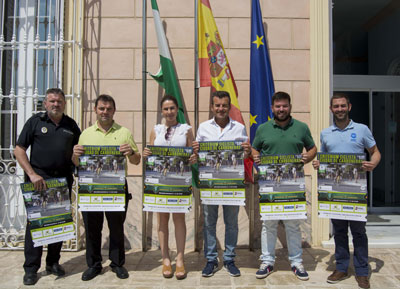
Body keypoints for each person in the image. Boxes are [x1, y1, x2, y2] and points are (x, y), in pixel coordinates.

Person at [312, 93, 381, 289]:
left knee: (358, 232)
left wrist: (373, 164)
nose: (340, 109)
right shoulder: (326, 133)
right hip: (335, 190)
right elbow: (324, 157)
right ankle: (341, 267)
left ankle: (361, 271)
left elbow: (375, 152)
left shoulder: (361, 129)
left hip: (356, 191)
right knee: (340, 231)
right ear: (331, 109)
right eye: (336, 106)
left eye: (343, 106)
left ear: (349, 107)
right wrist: (319, 163)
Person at [14, 88, 81, 286]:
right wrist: (31, 174)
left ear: (64, 104)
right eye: (52, 101)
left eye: (59, 101)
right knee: (35, 225)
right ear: (45, 103)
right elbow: (19, 150)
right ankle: (31, 268)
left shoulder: (71, 125)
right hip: (39, 181)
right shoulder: (35, 122)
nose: (55, 104)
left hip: (62, 181)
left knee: (58, 224)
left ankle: (53, 263)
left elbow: (78, 152)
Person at [72, 94, 141, 281]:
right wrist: (75, 155)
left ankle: (117, 264)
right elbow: (77, 163)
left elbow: (136, 160)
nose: (105, 112)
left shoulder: (124, 132)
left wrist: (131, 152)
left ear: (114, 111)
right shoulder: (85, 134)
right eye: (102, 108)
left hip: (117, 189)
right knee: (92, 227)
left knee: (116, 227)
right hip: (91, 188)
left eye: (109, 108)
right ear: (95, 110)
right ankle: (93, 265)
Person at [252, 91, 316, 281]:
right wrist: (255, 156)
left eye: (284, 106)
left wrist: (308, 157)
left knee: (293, 225)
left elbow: (312, 148)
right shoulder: (263, 128)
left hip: (292, 185)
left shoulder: (302, 127)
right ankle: (267, 262)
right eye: (278, 106)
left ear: (290, 107)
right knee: (268, 224)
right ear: (272, 108)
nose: (281, 109)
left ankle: (296, 263)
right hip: (269, 185)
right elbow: (255, 148)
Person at [195, 91, 251, 278]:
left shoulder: (239, 128)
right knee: (209, 223)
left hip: (231, 184)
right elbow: (199, 157)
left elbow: (244, 156)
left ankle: (229, 259)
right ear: (212, 107)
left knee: (232, 223)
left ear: (229, 107)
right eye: (217, 105)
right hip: (210, 184)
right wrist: (195, 152)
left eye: (224, 105)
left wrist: (247, 151)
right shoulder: (203, 128)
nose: (220, 109)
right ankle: (211, 259)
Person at [143, 95, 196, 280]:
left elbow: (192, 154)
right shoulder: (155, 130)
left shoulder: (186, 129)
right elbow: (150, 152)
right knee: (162, 220)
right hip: (159, 182)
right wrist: (146, 153)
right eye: (166, 109)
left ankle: (180, 259)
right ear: (161, 111)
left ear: (177, 110)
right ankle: (165, 258)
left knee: (179, 219)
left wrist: (193, 158)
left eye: (172, 108)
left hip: (179, 183)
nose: (169, 112)